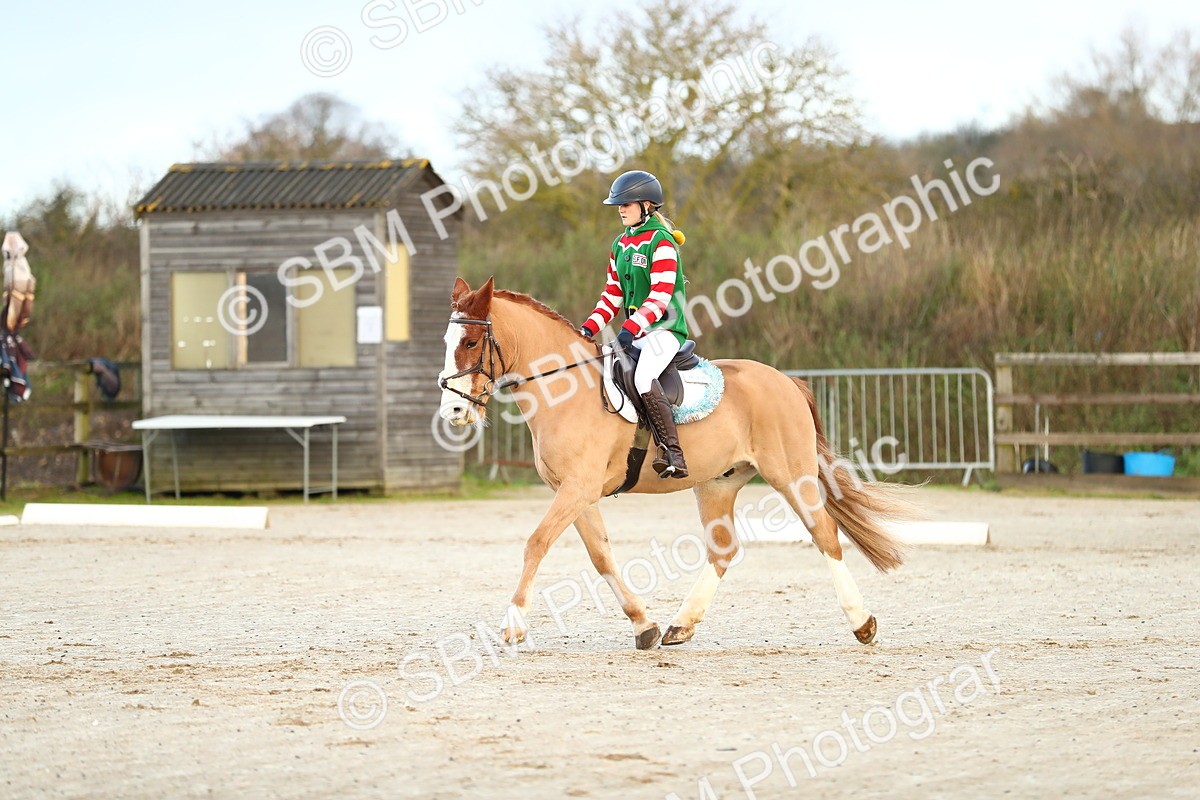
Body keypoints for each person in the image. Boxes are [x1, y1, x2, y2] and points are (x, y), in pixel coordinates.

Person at [580, 170, 689, 479]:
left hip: (665, 330)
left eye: (626, 204)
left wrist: (630, 329)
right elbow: (612, 294)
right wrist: (588, 328)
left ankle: (673, 452)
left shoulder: (662, 242)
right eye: (619, 204)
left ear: (646, 205)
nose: (620, 209)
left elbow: (661, 295)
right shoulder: (620, 244)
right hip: (637, 332)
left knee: (642, 379)